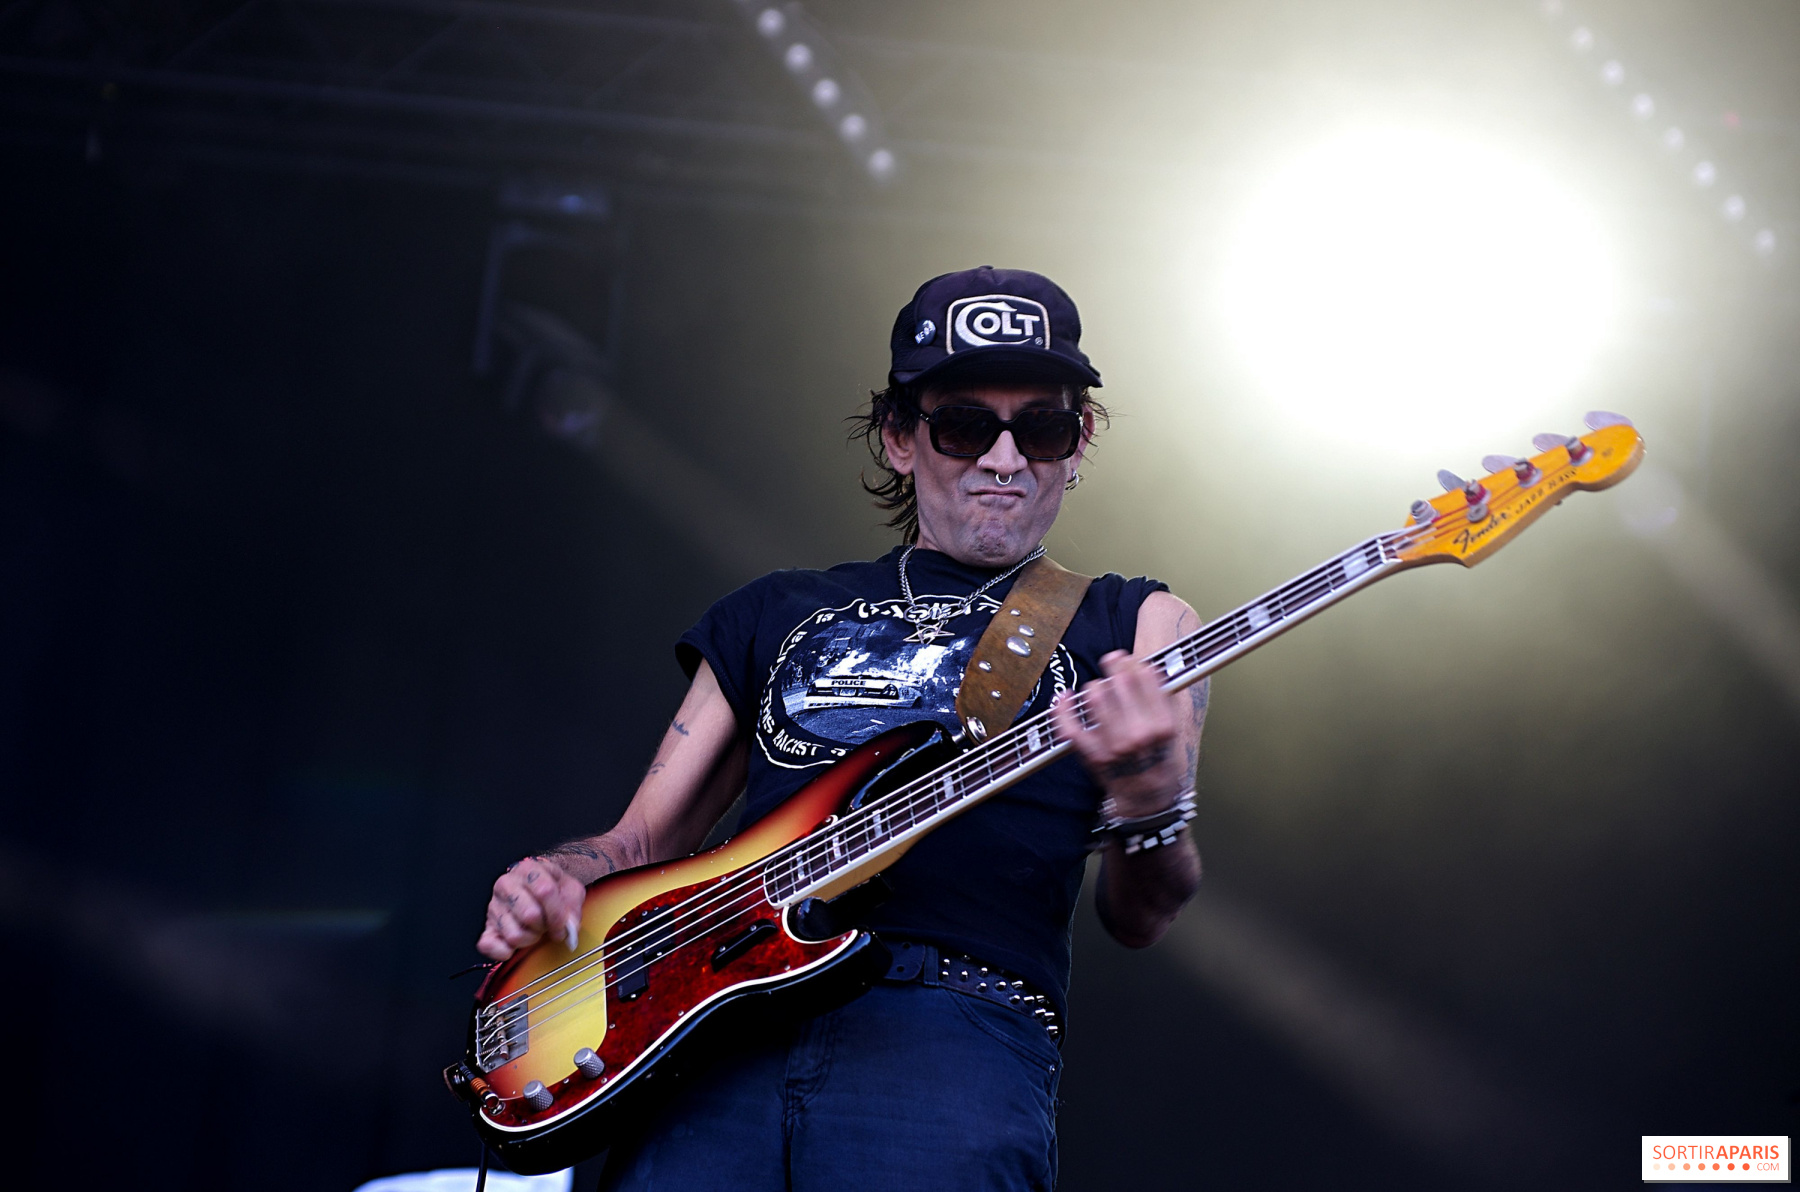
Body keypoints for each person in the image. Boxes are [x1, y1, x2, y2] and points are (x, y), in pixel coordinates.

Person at [475, 266, 1208, 1191]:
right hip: (713, 1034)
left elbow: (1144, 914)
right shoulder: (775, 609)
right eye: (964, 425)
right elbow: (641, 842)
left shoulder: (1138, 624)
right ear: (900, 438)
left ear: (1079, 443)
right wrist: (554, 880)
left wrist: (1150, 798)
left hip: (950, 1041)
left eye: (1042, 428)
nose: (1004, 459)